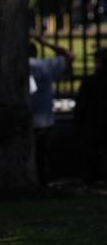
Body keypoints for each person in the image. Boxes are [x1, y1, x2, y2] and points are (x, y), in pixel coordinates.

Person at [29, 35, 74, 185]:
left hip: (26, 118)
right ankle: (43, 182)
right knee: (42, 155)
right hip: (45, 119)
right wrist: (46, 43)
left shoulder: (15, 66)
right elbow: (69, 55)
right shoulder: (46, 66)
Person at [75, 48, 107, 183]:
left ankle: (91, 178)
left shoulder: (89, 81)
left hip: (93, 123)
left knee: (91, 154)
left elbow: (81, 105)